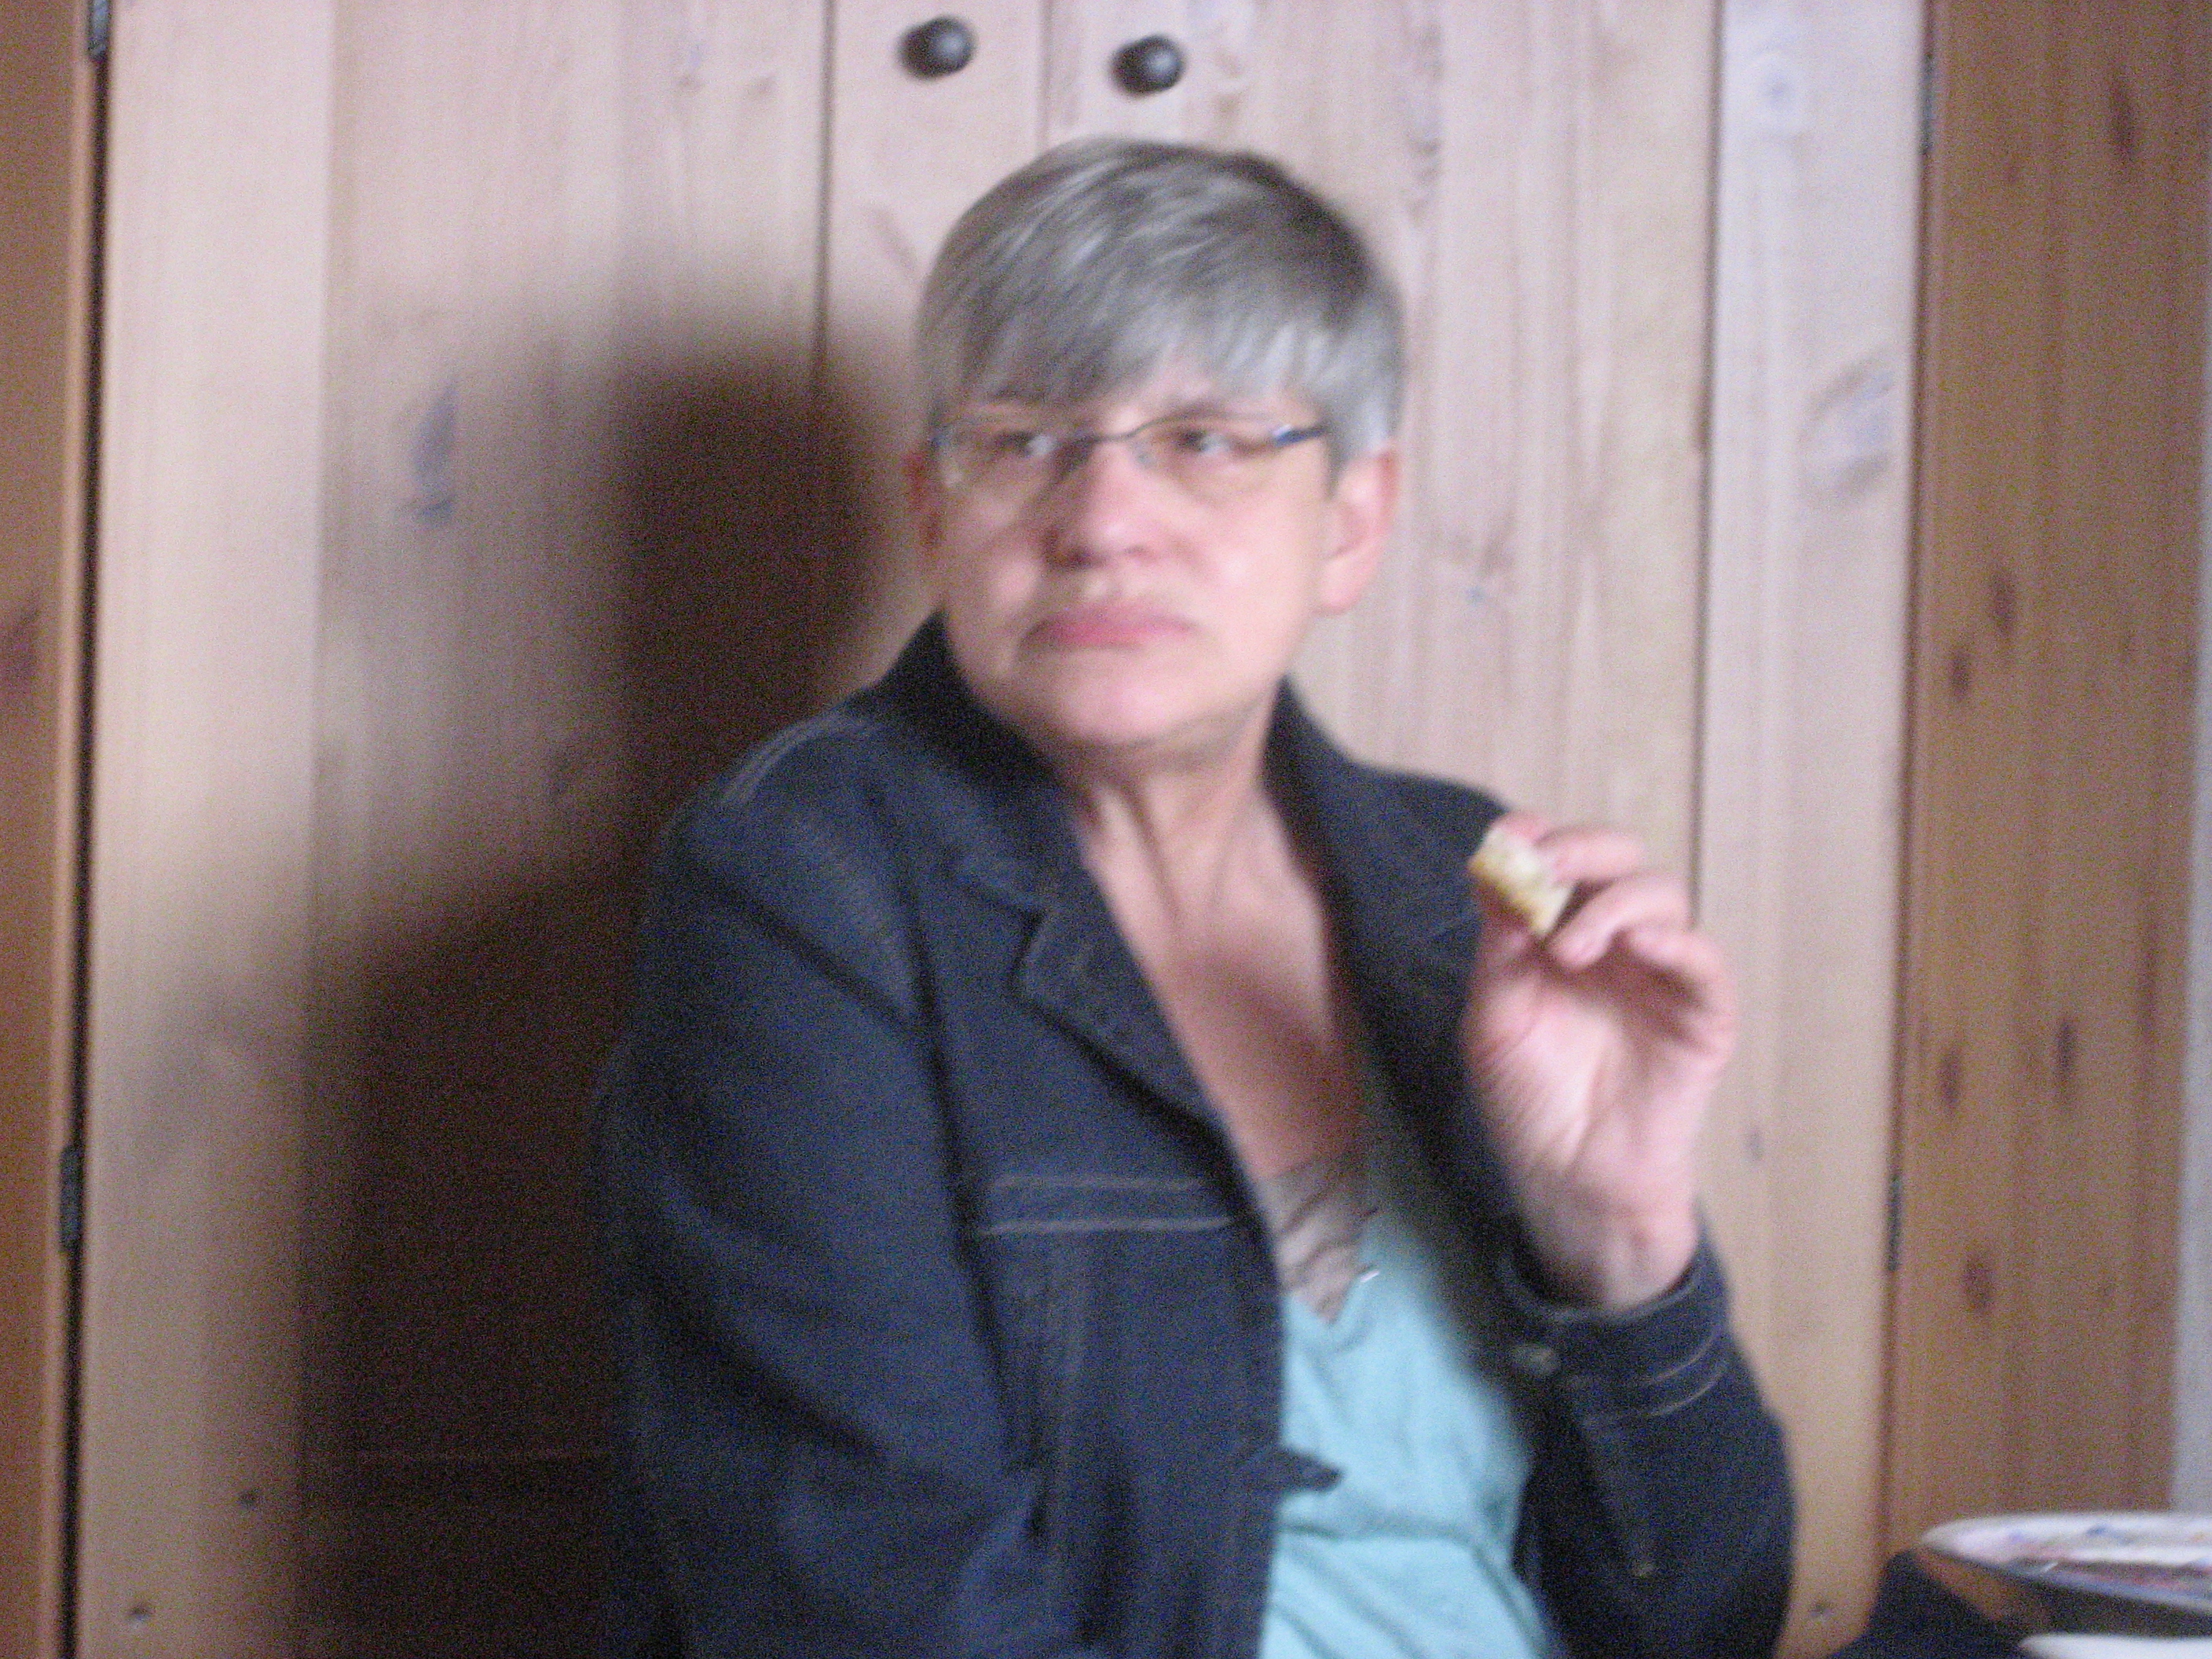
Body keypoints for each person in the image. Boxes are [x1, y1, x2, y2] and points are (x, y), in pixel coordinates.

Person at [595, 137, 1793, 1659]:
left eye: (1207, 440)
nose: (1103, 519)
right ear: (932, 511)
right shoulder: (801, 890)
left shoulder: (1470, 888)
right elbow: (867, 1604)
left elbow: (1706, 1618)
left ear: (1350, 519)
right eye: (1023, 439)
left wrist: (1617, 1239)